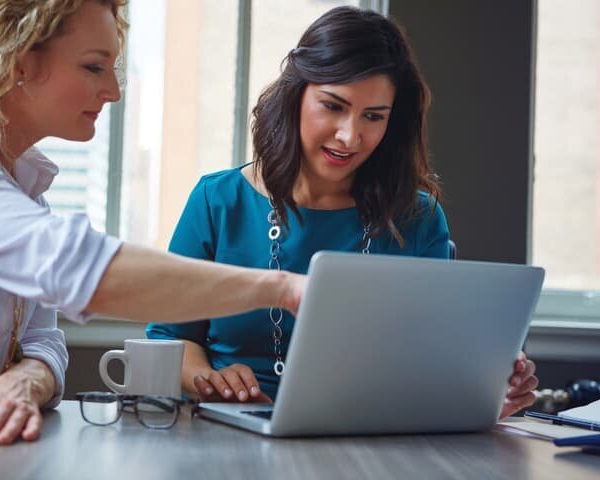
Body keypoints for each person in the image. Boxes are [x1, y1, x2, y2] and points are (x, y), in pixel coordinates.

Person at [0, 0, 304, 449]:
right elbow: (75, 267)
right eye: (94, 67)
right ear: (19, 61)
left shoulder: (24, 187)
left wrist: (24, 380)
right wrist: (282, 288)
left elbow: (46, 340)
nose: (113, 92)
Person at [147, 6, 538, 417]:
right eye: (333, 106)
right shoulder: (217, 201)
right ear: (296, 94)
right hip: (230, 433)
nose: (350, 136)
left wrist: (493, 389)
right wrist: (209, 381)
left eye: (373, 116)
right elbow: (168, 336)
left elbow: (435, 358)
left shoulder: (418, 219)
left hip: (370, 440)